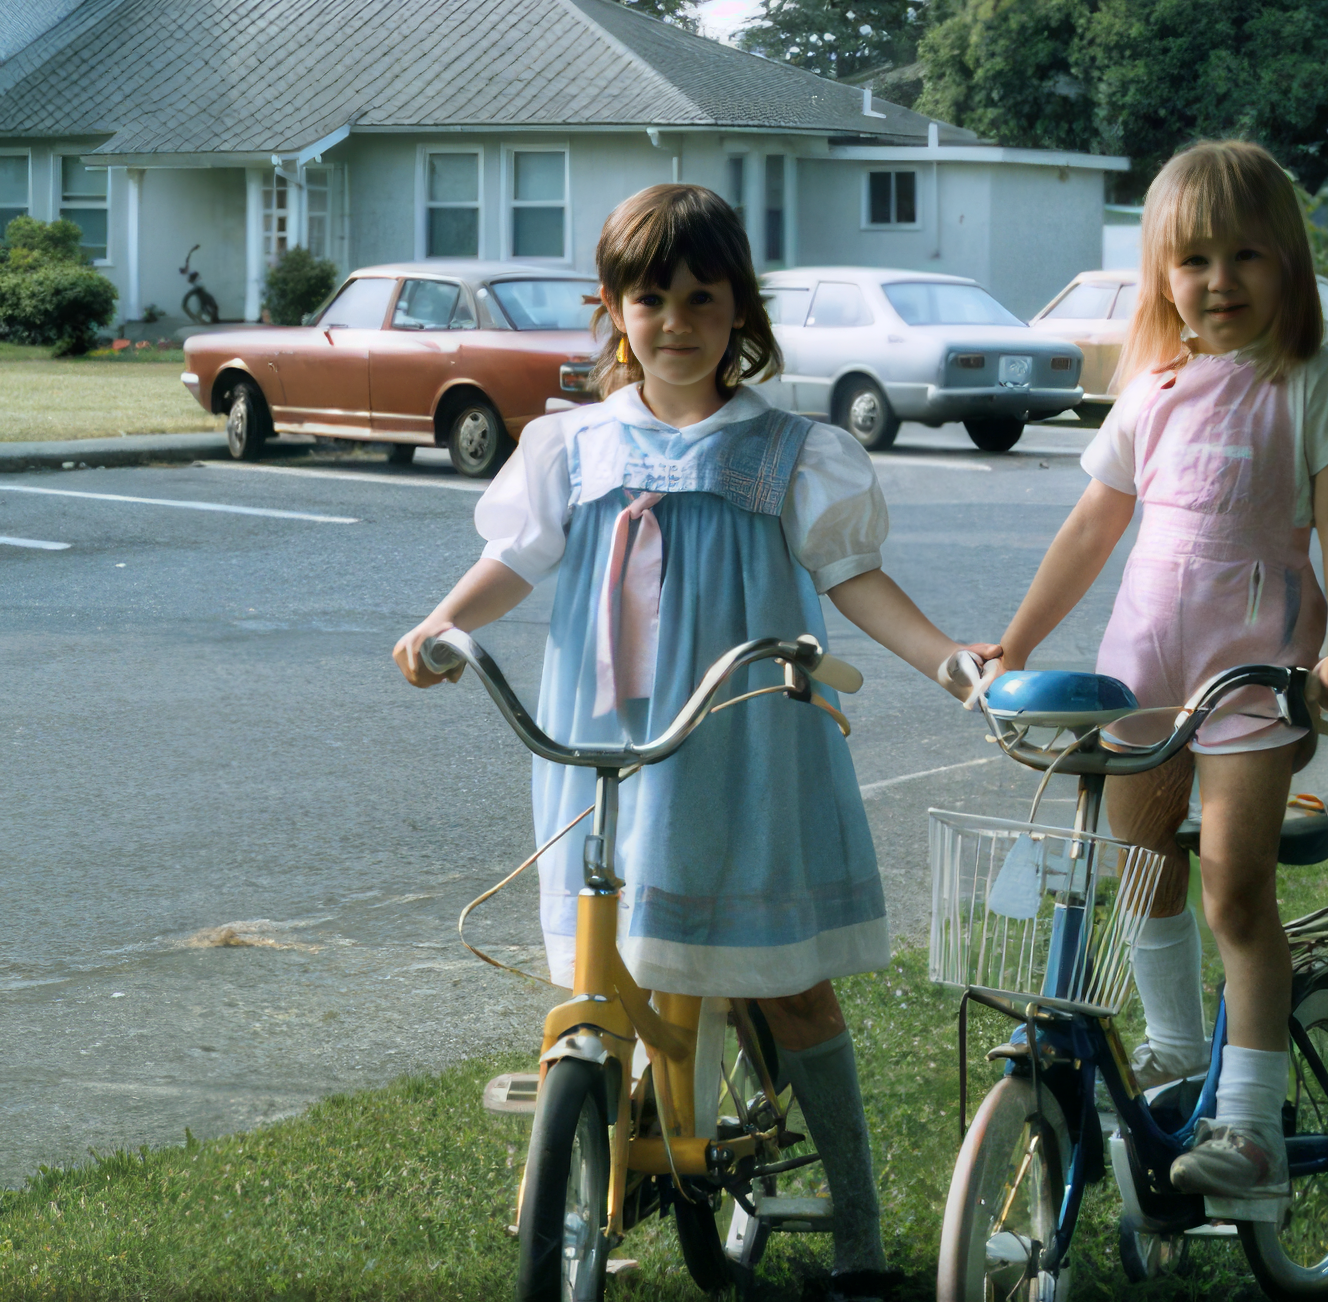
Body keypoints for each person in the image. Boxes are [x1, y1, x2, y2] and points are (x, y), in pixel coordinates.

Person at [393, 184, 993, 1288]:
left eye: (701, 298)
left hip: (745, 735)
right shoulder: (569, 444)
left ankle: (857, 1227)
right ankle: (598, 1159)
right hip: (604, 737)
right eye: (649, 297)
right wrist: (442, 623)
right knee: (605, 950)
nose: (675, 321)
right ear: (613, 308)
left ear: (740, 312)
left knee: (785, 979)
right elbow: (514, 561)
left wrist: (949, 658)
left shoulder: (787, 451)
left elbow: (853, 575)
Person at [985, 140, 1328, 1215]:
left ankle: (1247, 1130)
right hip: (1144, 672)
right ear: (1160, 274)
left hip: (1255, 675)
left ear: (1288, 267)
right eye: (1192, 259)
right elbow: (1091, 526)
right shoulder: (1151, 389)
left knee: (1232, 893)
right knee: (1140, 867)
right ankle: (1169, 1049)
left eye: (1245, 255)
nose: (1217, 281)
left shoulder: (1308, 382)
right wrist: (1015, 642)